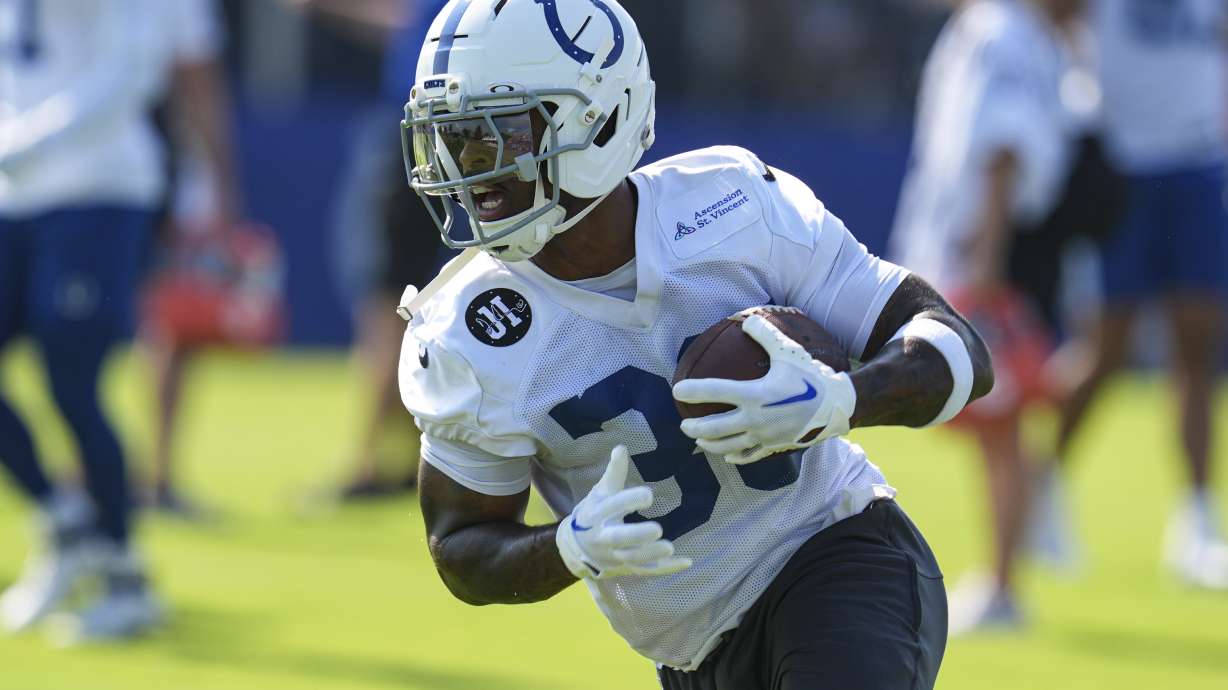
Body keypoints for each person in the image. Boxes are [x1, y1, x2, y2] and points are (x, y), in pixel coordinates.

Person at [397, 1, 994, 686]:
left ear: (599, 118)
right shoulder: (465, 330)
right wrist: (564, 547)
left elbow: (958, 349)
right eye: (452, 139)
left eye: (495, 136)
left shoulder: (731, 207)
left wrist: (841, 401)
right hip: (694, 655)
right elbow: (461, 546)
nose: (468, 168)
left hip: (841, 556)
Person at [889, 0, 1103, 633]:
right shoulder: (1018, 32)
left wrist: (984, 262)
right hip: (1005, 248)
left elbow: (1001, 149)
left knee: (999, 425)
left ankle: (1006, 582)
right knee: (1000, 425)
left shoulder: (999, 31)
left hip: (989, 253)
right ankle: (1026, 541)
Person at [0, 0, 166, 641]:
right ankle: (65, 524)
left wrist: (31, 139)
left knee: (71, 384)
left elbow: (133, 69)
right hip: (16, 196)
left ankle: (124, 575)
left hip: (96, 190)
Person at [1053, 0, 1228, 589]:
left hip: (1198, 166)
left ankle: (1197, 523)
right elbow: (1049, 21)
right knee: (1107, 350)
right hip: (1123, 170)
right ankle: (1042, 490)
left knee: (1197, 348)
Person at [141, 0, 244, 517]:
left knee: (157, 328)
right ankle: (151, 473)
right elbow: (199, 85)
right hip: (150, 171)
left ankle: (140, 472)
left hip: (65, 169)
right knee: (170, 330)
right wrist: (223, 180)